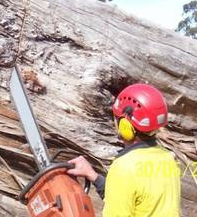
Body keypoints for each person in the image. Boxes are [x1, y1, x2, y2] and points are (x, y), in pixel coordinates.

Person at [68, 84, 181, 216]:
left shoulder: (124, 168)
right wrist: (93, 176)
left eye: (116, 118)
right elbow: (136, 197)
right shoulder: (167, 158)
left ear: (125, 124)